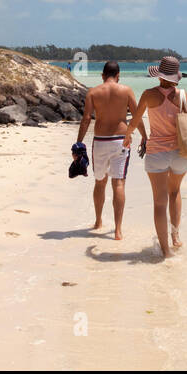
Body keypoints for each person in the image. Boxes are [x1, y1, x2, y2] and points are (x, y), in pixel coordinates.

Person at [124, 56, 187, 259]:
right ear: (175, 77)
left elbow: (135, 120)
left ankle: (165, 251)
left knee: (159, 202)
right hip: (181, 154)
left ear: (159, 76)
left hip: (156, 153)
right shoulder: (182, 95)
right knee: (175, 192)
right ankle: (175, 237)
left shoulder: (148, 95)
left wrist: (128, 136)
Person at [76, 61, 145, 240]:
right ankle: (118, 230)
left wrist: (79, 143)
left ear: (102, 75)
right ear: (118, 74)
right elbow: (137, 117)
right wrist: (145, 137)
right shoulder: (126, 90)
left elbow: (85, 119)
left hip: (100, 141)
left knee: (100, 182)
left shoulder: (93, 92)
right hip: (120, 142)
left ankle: (98, 221)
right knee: (119, 184)